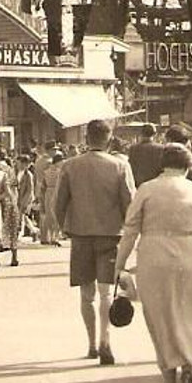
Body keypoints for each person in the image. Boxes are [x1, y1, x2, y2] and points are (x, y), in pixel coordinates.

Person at [115, 143, 192, 383]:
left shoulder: (146, 190)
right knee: (189, 315)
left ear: (163, 164)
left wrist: (120, 265)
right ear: (188, 166)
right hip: (188, 255)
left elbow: (129, 230)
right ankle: (188, 367)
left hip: (153, 255)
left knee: (160, 321)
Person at [55, 120, 135, 364]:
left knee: (86, 294)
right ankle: (105, 341)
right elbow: (129, 203)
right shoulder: (120, 166)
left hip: (80, 235)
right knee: (105, 292)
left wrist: (64, 228)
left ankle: (90, 344)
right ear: (109, 140)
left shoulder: (69, 166)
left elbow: (58, 204)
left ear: (85, 138)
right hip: (111, 235)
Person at [0, 148, 22, 266]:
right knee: (13, 229)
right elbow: (15, 187)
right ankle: (14, 256)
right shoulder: (10, 169)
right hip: (11, 201)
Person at [42, 153, 66, 245]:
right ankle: (55, 237)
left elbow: (43, 185)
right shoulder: (60, 172)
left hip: (48, 193)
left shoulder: (46, 171)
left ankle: (49, 236)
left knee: (49, 215)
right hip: (57, 192)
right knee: (57, 214)